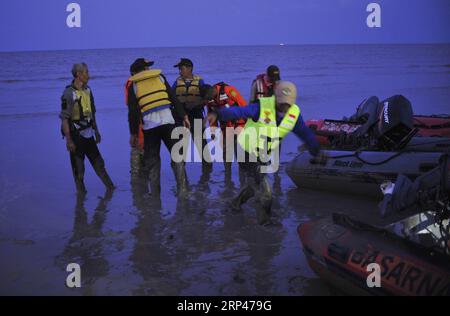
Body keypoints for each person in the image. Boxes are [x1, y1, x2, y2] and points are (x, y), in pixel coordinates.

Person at [206, 81, 325, 225]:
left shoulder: (294, 114)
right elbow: (240, 111)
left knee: (253, 185)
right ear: (275, 97)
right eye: (281, 103)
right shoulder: (261, 107)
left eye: (288, 104)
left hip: (262, 154)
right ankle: (265, 222)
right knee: (265, 190)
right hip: (245, 150)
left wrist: (316, 151)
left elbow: (304, 133)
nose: (284, 107)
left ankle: (234, 204)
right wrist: (218, 114)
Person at [127, 58, 190, 198]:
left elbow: (133, 112)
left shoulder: (134, 85)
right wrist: (184, 116)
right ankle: (183, 191)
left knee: (153, 160)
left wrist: (133, 134)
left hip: (150, 127)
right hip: (168, 121)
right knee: (176, 156)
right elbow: (173, 98)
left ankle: (155, 195)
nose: (149, 69)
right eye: (147, 67)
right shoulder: (160, 78)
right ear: (144, 69)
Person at [60, 63, 115, 194]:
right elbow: (64, 119)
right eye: (86, 72)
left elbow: (92, 112)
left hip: (89, 134)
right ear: (78, 75)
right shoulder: (68, 93)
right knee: (79, 170)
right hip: (75, 137)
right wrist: (69, 141)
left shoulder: (88, 90)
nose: (88, 75)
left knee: (100, 164)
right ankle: (81, 195)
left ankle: (111, 189)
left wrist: (97, 131)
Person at [201, 82, 247, 181]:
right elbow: (211, 115)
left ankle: (243, 173)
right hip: (225, 126)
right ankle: (227, 173)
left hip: (239, 124)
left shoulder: (228, 90)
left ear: (211, 91)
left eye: (207, 98)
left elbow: (243, 105)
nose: (207, 101)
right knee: (226, 150)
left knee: (239, 151)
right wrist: (213, 131)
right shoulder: (210, 100)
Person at [172, 58, 212, 172]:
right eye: (179, 69)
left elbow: (207, 98)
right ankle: (181, 170)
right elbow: (171, 97)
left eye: (182, 68)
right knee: (181, 144)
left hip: (196, 114)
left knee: (201, 144)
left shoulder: (200, 82)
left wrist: (196, 104)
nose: (180, 71)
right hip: (181, 116)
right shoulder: (177, 82)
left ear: (189, 68)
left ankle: (207, 171)